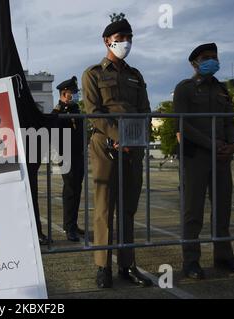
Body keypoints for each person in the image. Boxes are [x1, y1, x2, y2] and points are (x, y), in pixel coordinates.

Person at [82, 14, 152, 288]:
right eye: (120, 39)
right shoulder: (93, 74)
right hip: (106, 147)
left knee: (128, 209)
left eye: (128, 39)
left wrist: (136, 139)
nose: (125, 43)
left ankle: (127, 265)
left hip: (133, 148)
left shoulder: (136, 75)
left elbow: (145, 110)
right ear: (107, 41)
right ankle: (103, 267)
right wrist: (118, 136)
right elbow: (93, 112)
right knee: (104, 208)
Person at [173, 43, 234, 279]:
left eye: (214, 57)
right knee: (193, 212)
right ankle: (191, 261)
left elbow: (230, 121)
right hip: (196, 157)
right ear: (195, 63)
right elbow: (182, 124)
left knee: (222, 209)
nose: (212, 60)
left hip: (222, 158)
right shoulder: (185, 89)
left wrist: (233, 144)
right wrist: (212, 144)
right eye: (206, 58)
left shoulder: (222, 90)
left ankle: (224, 256)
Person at [52, 76, 85, 242]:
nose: (76, 95)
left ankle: (74, 223)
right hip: (66, 156)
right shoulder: (58, 112)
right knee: (70, 191)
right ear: (65, 94)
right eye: (73, 92)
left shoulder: (76, 110)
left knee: (77, 190)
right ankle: (69, 228)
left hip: (79, 155)